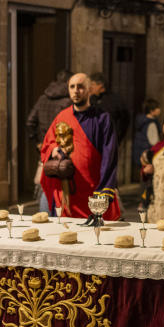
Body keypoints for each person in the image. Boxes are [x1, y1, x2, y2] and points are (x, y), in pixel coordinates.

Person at [40, 73, 121, 222]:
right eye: (72, 87)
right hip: (68, 193)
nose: (76, 90)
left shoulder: (103, 118)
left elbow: (110, 156)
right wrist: (54, 149)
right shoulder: (62, 117)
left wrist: (105, 190)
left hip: (94, 192)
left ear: (89, 89)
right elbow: (48, 143)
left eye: (81, 87)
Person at [26, 70, 73, 211]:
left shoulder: (43, 98)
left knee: (45, 185)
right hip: (63, 149)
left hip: (45, 149)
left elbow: (30, 122)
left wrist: (38, 142)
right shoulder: (69, 101)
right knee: (62, 188)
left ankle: (45, 217)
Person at [89, 72, 130, 142]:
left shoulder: (115, 100)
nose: (90, 87)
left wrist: (117, 137)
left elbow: (125, 119)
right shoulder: (90, 99)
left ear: (100, 85)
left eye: (92, 84)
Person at [131, 98, 162, 178]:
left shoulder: (142, 121)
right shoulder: (151, 123)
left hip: (140, 154)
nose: (160, 110)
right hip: (147, 155)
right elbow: (154, 142)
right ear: (152, 111)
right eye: (157, 108)